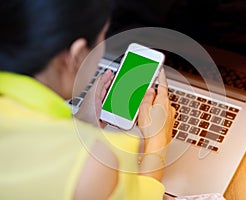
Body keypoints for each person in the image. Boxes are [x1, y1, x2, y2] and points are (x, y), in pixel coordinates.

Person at [0, 0, 175, 199]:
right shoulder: (91, 166)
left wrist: (80, 123)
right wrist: (157, 146)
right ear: (75, 55)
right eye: (102, 41)